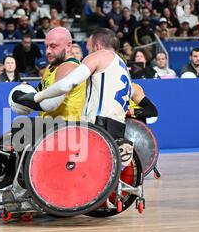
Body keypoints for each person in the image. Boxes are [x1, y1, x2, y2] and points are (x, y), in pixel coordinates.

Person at [19, 28, 134, 165]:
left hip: (98, 125)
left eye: (88, 48)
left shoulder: (98, 56)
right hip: (119, 128)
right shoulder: (121, 66)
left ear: (97, 46)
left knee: (22, 127)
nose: (87, 53)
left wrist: (35, 97)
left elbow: (65, 85)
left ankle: (23, 176)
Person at [12, 27, 86, 121]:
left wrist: (22, 99)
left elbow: (51, 104)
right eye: (46, 46)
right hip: (50, 124)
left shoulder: (69, 67)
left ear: (68, 46)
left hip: (67, 127)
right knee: (12, 131)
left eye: (53, 46)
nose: (48, 51)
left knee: (19, 126)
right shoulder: (50, 67)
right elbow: (41, 90)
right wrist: (27, 89)